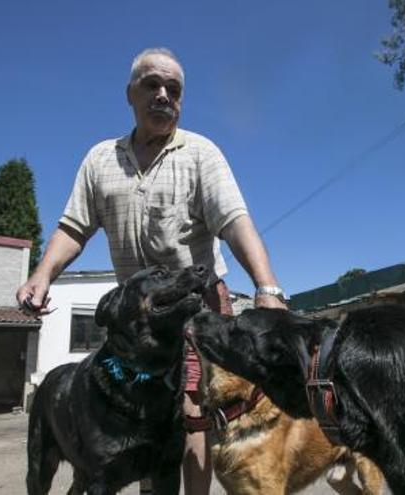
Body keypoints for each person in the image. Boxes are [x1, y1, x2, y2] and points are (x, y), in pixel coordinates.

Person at [16, 47, 287, 495]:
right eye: (153, 85)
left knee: (189, 412)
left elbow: (236, 222)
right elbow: (73, 227)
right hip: (136, 316)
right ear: (130, 93)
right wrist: (42, 274)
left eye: (174, 89)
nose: (164, 95)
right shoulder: (100, 159)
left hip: (195, 309)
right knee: (135, 410)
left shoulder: (201, 153)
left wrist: (267, 286)